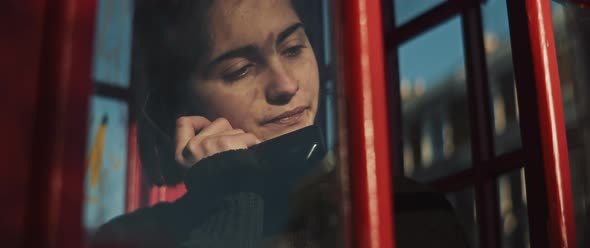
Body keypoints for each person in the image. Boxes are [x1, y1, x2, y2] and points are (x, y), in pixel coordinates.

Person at [91, 0, 468, 247]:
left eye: (293, 49)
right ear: (178, 108)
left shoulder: (409, 213)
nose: (287, 85)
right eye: (240, 70)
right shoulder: (129, 240)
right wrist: (230, 209)